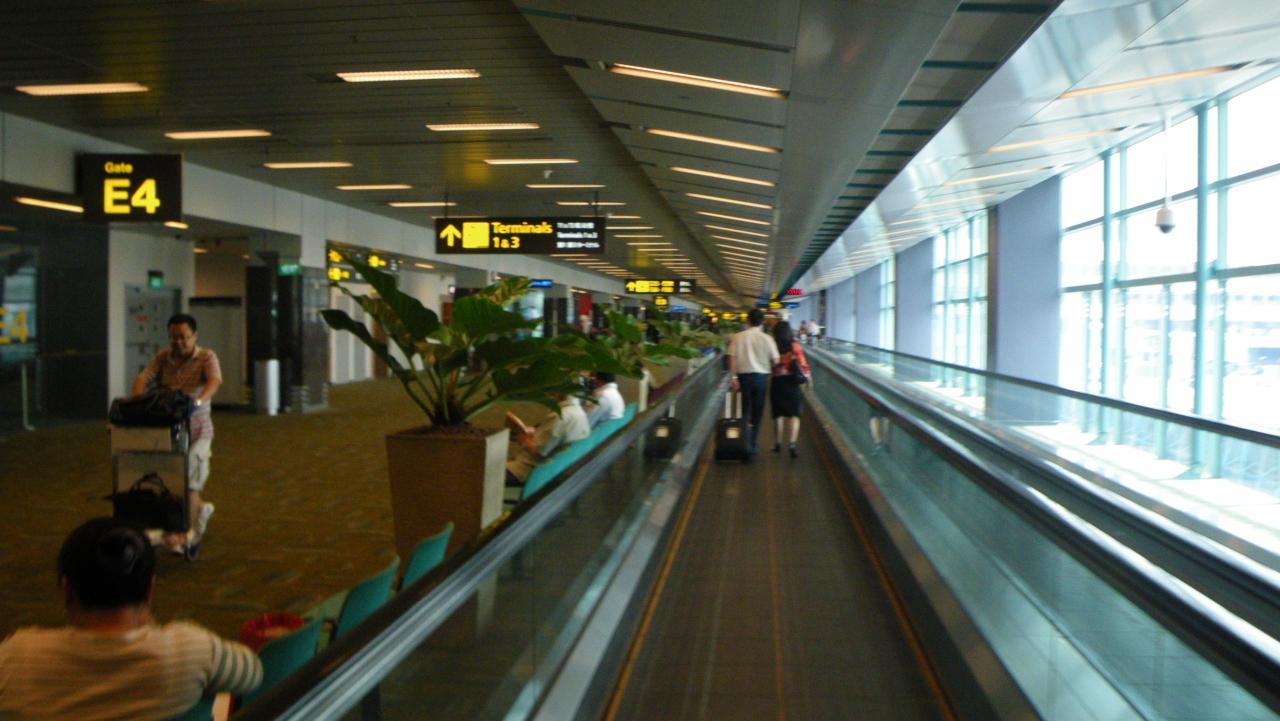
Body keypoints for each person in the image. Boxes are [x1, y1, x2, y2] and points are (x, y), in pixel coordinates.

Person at [0, 517, 262, 721]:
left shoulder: (16, 656)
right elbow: (252, 673)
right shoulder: (189, 650)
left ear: (67, 590)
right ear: (150, 589)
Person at [131, 313, 221, 553]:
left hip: (198, 431)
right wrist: (137, 401)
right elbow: (143, 378)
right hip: (169, 429)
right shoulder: (163, 357)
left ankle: (190, 537)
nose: (178, 342)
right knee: (168, 481)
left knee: (190, 483)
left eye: (183, 337)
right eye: (173, 337)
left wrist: (198, 402)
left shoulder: (206, 356)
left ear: (194, 336)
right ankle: (200, 512)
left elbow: (214, 381)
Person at [726, 309, 780, 460]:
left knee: (743, 411)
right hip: (761, 378)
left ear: (747, 321)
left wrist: (734, 378)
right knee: (757, 412)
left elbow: (731, 357)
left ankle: (742, 443)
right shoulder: (767, 339)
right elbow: (776, 361)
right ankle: (752, 445)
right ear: (762, 322)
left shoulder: (738, 336)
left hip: (743, 378)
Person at [505, 392, 591, 486]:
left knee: (492, 472)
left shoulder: (560, 415)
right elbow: (554, 437)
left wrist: (522, 438)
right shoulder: (577, 410)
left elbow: (538, 453)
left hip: (533, 471)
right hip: (555, 467)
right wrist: (536, 432)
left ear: (558, 394)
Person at [769, 321, 811, 458]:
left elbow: (770, 363)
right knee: (794, 414)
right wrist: (807, 378)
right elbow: (803, 365)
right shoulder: (795, 346)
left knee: (778, 414)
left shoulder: (773, 345)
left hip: (777, 382)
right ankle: (792, 445)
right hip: (792, 383)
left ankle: (777, 443)